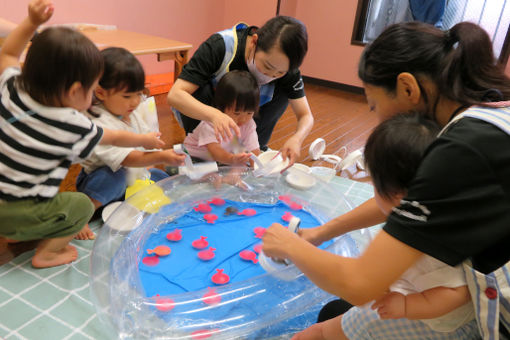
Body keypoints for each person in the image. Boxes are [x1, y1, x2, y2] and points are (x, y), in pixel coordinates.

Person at [262, 21, 510, 339]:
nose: (376, 117)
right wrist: (321, 232)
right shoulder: (487, 108)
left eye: (375, 105)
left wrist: (291, 245)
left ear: (408, 88)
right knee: (334, 312)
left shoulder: (462, 151)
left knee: (329, 321)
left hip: (489, 317)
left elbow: (361, 284)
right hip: (463, 295)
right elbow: (404, 200)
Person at [0, 0, 165, 268]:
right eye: (91, 91)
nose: (92, 98)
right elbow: (111, 137)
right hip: (23, 211)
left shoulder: (11, 87)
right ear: (76, 90)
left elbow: (7, 54)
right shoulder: (70, 124)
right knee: (80, 206)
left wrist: (31, 21)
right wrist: (144, 141)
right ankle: (48, 253)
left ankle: (17, 232)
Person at [293, 112, 477, 339]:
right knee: (332, 314)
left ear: (398, 196)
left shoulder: (431, 242)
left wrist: (407, 305)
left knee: (315, 333)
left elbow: (457, 293)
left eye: (375, 187)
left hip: (434, 319)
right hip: (413, 292)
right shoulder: (434, 202)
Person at [167, 15, 314, 166]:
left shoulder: (287, 68)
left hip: (246, 121)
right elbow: (175, 95)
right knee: (199, 87)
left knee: (285, 92)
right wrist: (214, 115)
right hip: (208, 117)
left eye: (280, 72)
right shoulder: (221, 46)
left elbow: (306, 116)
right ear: (255, 42)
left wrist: (297, 139)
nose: (271, 76)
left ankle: (256, 144)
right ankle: (203, 151)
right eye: (268, 66)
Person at [76, 47, 185, 240]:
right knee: (118, 175)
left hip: (130, 179)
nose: (135, 101)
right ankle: (81, 215)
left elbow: (143, 143)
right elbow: (128, 159)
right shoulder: (99, 122)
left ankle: (132, 200)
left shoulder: (130, 113)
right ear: (101, 93)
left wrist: (155, 143)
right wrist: (161, 155)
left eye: (139, 93)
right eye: (127, 96)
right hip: (102, 181)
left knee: (160, 176)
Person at [183, 70, 260, 165]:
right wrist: (232, 160)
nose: (243, 119)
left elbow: (254, 149)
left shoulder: (249, 123)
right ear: (221, 106)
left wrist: (256, 166)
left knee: (240, 168)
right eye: (236, 113)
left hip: (221, 159)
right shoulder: (211, 123)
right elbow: (215, 150)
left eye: (249, 113)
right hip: (193, 156)